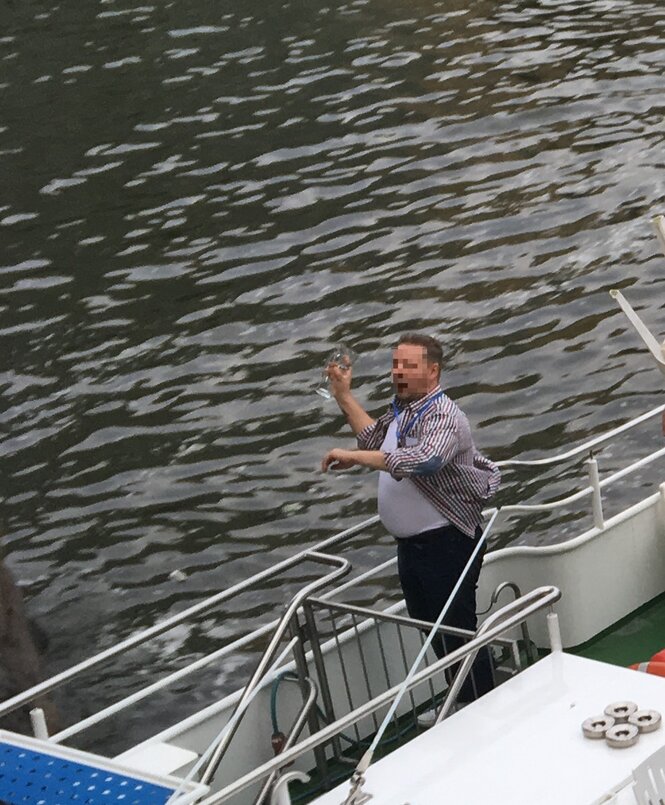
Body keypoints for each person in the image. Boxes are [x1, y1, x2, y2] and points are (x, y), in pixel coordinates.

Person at [321, 333, 500, 718]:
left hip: (448, 541)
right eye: (395, 364)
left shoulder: (445, 417)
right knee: (429, 624)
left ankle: (482, 705)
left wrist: (356, 457)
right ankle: (462, 698)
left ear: (432, 371)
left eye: (408, 366)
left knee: (456, 626)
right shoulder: (404, 411)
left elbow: (425, 459)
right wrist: (343, 396)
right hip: (414, 546)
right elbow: (375, 440)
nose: (398, 373)